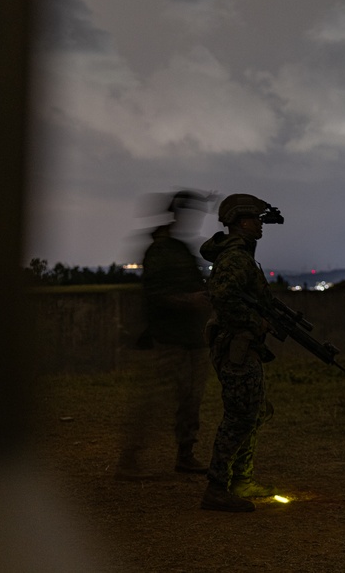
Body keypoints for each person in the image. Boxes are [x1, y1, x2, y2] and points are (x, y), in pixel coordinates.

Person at [115, 191, 213, 480]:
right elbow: (156, 294)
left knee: (191, 399)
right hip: (168, 339)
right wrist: (189, 300)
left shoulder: (180, 249)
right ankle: (129, 458)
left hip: (192, 338)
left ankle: (185, 454)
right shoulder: (160, 250)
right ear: (175, 216)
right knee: (155, 401)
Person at [197, 193, 284, 512]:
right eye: (255, 219)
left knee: (254, 410)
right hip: (235, 345)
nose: (260, 225)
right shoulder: (235, 257)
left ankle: (241, 479)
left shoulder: (241, 255)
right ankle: (217, 487)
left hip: (243, 345)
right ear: (240, 222)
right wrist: (257, 322)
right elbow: (223, 298)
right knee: (240, 414)